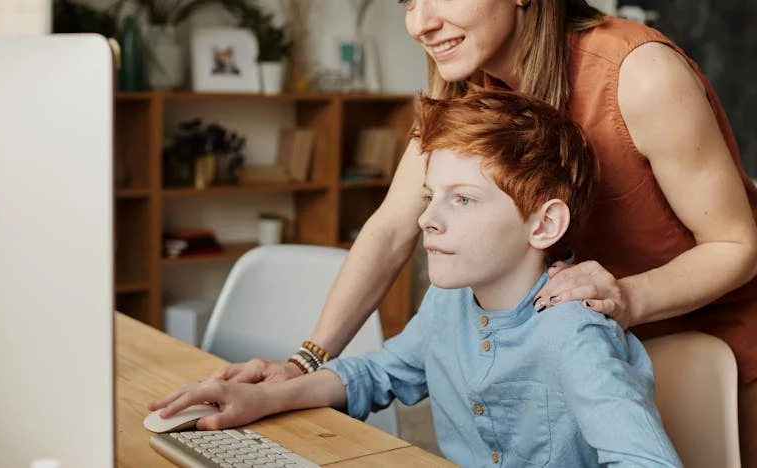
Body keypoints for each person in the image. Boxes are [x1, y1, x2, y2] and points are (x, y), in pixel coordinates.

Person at [158, 1, 757, 463]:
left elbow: (737, 244)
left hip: (708, 345)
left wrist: (626, 299)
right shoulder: (467, 91)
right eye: (407, 0)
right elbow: (393, 226)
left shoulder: (639, 73)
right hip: (565, 337)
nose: (420, 22)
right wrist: (304, 361)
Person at [151, 89, 682, 467]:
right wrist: (264, 399)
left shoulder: (573, 334)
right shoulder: (447, 305)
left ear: (543, 224)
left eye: (463, 199)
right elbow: (379, 374)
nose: (428, 218)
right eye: (430, 197)